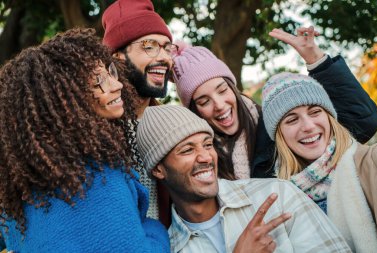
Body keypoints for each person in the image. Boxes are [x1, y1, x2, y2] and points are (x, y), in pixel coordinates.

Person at [0, 28, 169, 252]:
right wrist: (154, 229)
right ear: (65, 101)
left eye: (110, 72)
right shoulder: (97, 177)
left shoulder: (19, 190)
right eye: (98, 81)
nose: (116, 85)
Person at [136, 104, 352, 253]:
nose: (205, 157)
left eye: (208, 144)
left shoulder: (277, 195)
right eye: (187, 150)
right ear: (158, 170)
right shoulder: (172, 247)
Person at [172, 26, 377, 180]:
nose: (218, 104)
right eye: (204, 100)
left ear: (233, 89)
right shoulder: (202, 155)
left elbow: (363, 122)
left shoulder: (274, 121)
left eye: (222, 89)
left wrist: (316, 59)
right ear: (194, 110)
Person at [261, 71, 377, 252]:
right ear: (280, 136)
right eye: (292, 120)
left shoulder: (372, 163)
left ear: (330, 117)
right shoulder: (277, 200)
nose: (308, 126)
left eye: (315, 112)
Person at [102, 0, 178, 222]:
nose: (164, 57)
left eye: (167, 47)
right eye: (150, 46)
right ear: (118, 58)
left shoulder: (171, 125)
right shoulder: (91, 131)